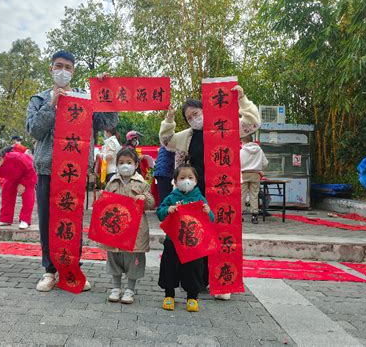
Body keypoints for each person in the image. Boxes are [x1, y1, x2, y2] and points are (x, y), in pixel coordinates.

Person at [26, 50, 117, 292]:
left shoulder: (84, 100)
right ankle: (50, 271)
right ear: (51, 68)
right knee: (47, 223)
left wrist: (104, 91)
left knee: (72, 222)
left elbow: (107, 123)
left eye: (68, 67)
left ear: (73, 71)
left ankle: (72, 268)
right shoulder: (38, 99)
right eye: (59, 66)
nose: (63, 71)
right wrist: (52, 104)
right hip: (48, 170)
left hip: (74, 171)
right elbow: (34, 130)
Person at [159, 85, 260, 300]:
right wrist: (169, 120)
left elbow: (253, 123)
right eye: (189, 117)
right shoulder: (187, 135)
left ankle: (222, 282)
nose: (194, 118)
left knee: (222, 231)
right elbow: (166, 141)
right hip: (197, 192)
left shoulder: (224, 126)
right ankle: (199, 279)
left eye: (196, 113)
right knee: (198, 234)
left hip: (223, 190)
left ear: (205, 110)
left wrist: (242, 100)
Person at [157, 164, 214, 312]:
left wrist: (208, 212)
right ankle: (169, 295)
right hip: (173, 241)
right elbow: (160, 213)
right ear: (175, 182)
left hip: (194, 244)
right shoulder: (171, 197)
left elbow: (211, 220)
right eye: (182, 178)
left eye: (190, 177)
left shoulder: (200, 199)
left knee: (194, 269)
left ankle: (192, 297)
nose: (186, 181)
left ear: (196, 180)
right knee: (169, 267)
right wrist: (167, 210)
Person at [102, 148, 155, 304]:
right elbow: (104, 204)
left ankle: (130, 289)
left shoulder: (142, 184)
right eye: (121, 162)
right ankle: (116, 288)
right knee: (114, 257)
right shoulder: (111, 182)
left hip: (135, 231)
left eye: (129, 162)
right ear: (116, 165)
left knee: (134, 261)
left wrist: (143, 198)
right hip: (115, 229)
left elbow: (151, 203)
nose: (125, 166)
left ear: (136, 165)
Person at [240, 135, 268, 224]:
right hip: (255, 174)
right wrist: (259, 168)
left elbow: (237, 163)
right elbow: (265, 163)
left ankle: (240, 215)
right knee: (254, 195)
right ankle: (254, 215)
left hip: (243, 174)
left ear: (243, 142)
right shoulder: (259, 150)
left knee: (242, 195)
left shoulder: (241, 151)